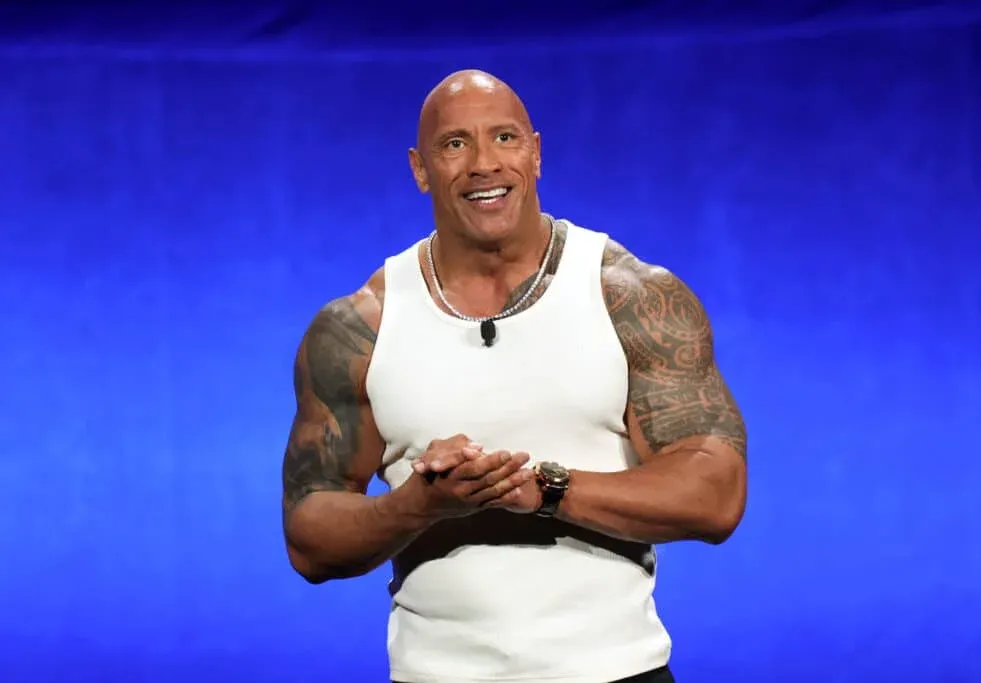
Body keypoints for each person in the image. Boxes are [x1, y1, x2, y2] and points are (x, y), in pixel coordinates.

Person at [280, 69, 748, 683]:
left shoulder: (630, 298)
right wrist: (417, 507)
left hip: (616, 672)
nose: (483, 165)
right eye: (455, 145)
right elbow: (310, 539)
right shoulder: (359, 327)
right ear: (421, 169)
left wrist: (546, 489)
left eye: (504, 139)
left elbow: (715, 494)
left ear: (535, 151)